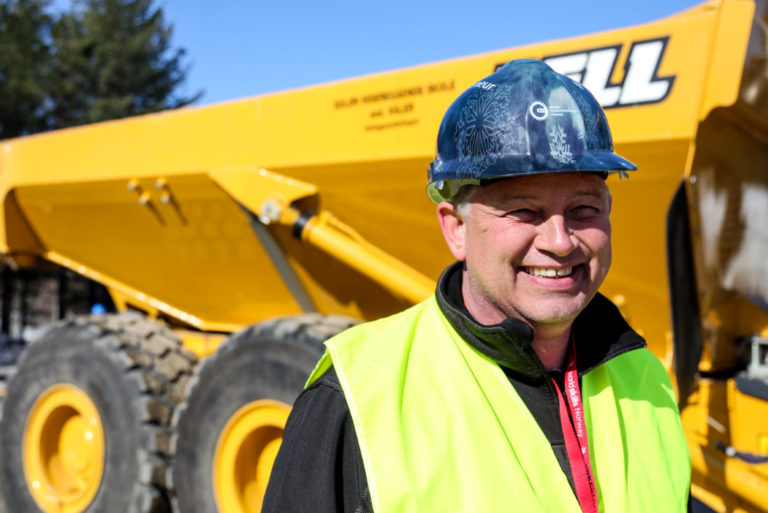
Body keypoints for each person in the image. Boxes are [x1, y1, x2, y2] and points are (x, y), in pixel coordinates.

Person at [262, 59, 691, 513]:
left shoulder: (646, 378)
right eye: (523, 211)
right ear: (456, 229)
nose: (560, 241)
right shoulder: (358, 397)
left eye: (584, 209)